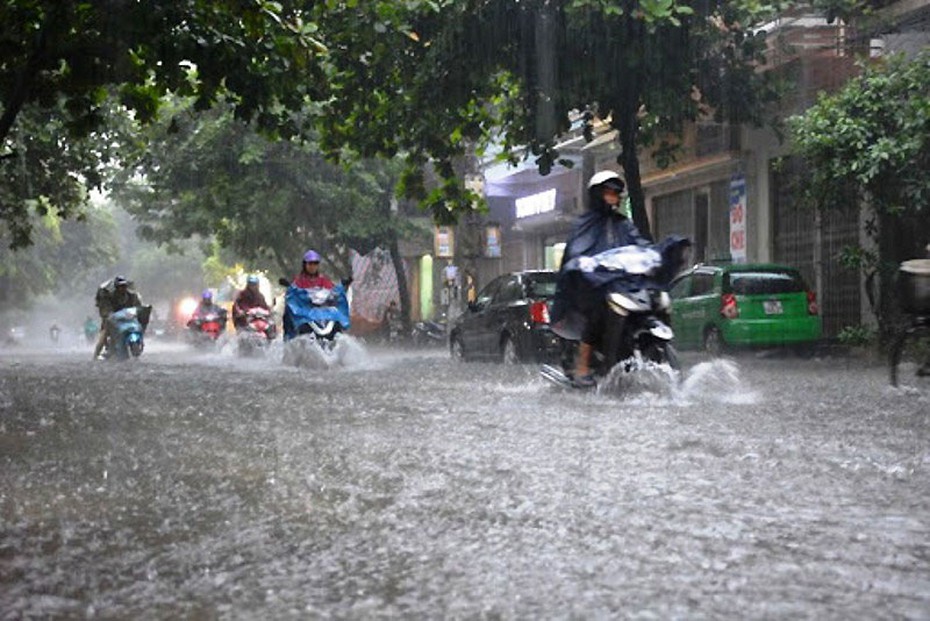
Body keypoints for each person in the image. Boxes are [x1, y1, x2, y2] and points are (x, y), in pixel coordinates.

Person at [550, 170, 650, 388]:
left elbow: (639, 244)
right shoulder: (584, 224)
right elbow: (576, 251)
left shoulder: (624, 224)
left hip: (623, 284)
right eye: (608, 192)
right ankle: (583, 365)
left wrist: (652, 257)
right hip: (592, 287)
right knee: (599, 310)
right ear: (597, 194)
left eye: (616, 193)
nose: (613, 197)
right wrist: (585, 265)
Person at [93, 275, 144, 359]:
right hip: (112, 319)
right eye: (120, 286)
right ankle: (96, 354)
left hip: (128, 319)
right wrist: (108, 315)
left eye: (124, 286)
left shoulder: (131, 296)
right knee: (104, 333)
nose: (122, 288)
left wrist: (141, 311)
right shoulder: (110, 296)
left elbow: (138, 306)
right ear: (116, 287)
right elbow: (105, 309)